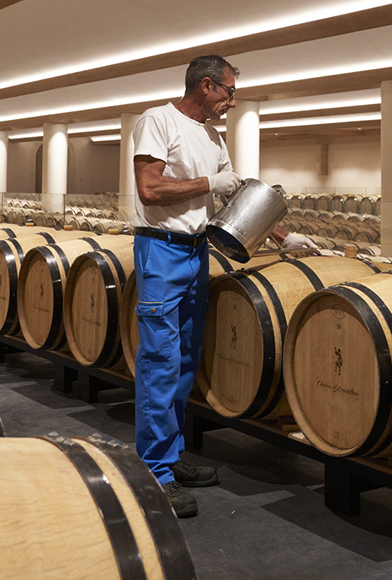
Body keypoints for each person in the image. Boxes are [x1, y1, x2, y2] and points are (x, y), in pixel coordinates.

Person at [131, 55, 317, 518]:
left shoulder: (213, 136)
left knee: (186, 361)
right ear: (207, 85)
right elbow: (150, 190)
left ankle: (170, 458)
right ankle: (154, 472)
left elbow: (233, 198)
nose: (233, 102)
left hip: (196, 251)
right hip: (160, 251)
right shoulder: (158, 121)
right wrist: (209, 182)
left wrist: (280, 234)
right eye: (229, 93)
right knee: (160, 360)